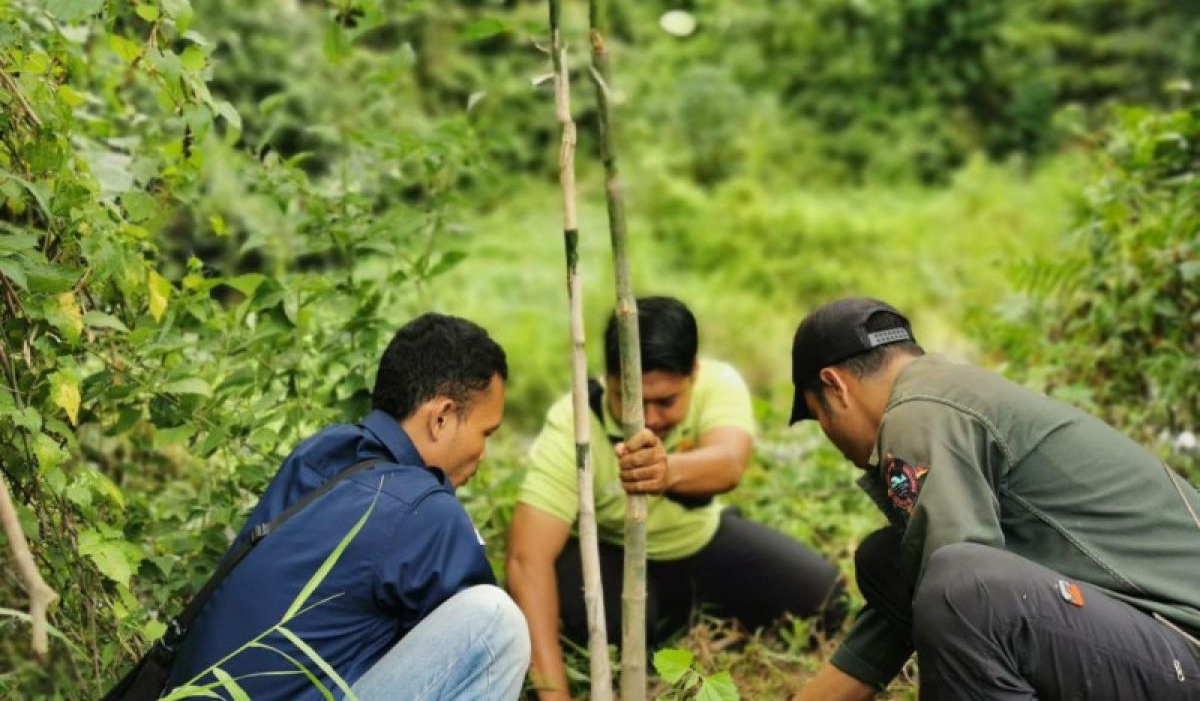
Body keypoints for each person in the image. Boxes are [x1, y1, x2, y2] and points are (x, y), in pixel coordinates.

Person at [787, 296, 1200, 701]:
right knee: (890, 562)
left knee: (961, 586)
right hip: (1152, 641)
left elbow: (961, 600)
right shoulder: (949, 391)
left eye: (818, 415)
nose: (828, 433)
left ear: (834, 385)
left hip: (1184, 648)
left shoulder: (917, 412)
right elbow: (916, 604)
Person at [165, 314, 530, 701]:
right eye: (484, 433)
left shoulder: (319, 455)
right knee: (494, 624)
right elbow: (465, 655)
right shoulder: (423, 508)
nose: (483, 454)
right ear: (440, 418)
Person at [507, 296, 846, 700]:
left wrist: (667, 472)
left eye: (666, 402)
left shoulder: (718, 383)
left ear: (693, 374)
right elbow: (527, 560)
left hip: (700, 541)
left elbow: (729, 461)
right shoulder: (574, 422)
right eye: (629, 398)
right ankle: (658, 623)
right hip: (611, 554)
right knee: (613, 630)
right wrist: (554, 695)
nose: (648, 418)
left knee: (824, 596)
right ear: (608, 379)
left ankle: (681, 615)